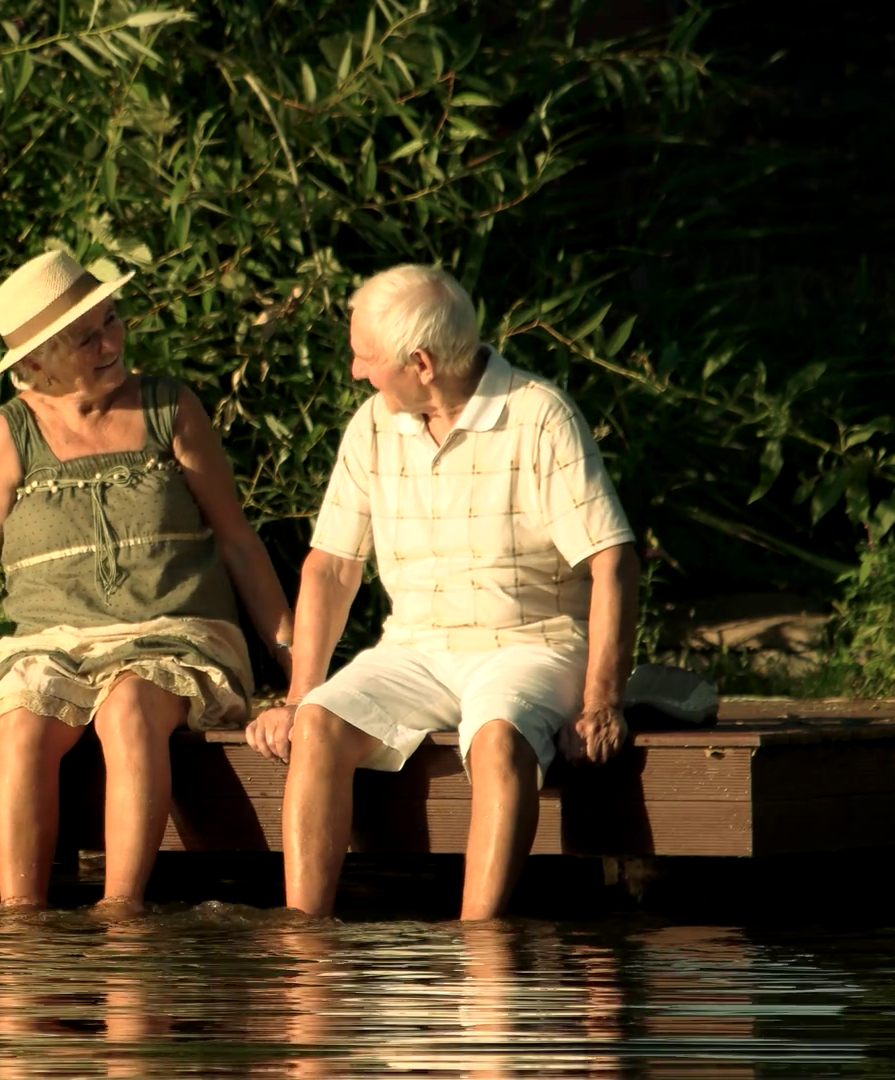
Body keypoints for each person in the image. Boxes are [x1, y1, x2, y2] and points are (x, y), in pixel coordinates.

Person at [0, 250, 293, 910]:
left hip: (172, 633)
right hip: (53, 644)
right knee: (24, 721)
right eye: (86, 337)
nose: (112, 341)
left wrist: (299, 669)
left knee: (128, 706)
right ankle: (20, 927)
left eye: (111, 320)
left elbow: (237, 540)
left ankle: (122, 916)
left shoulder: (169, 408)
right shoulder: (11, 434)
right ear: (34, 364)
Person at [246, 264, 640, 920]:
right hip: (417, 646)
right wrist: (296, 697)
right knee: (317, 723)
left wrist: (603, 700)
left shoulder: (538, 416)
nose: (355, 372)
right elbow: (331, 568)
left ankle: (480, 945)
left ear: (421, 363)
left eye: (366, 358)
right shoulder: (374, 425)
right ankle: (304, 942)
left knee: (496, 735)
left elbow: (613, 560)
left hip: (532, 641)